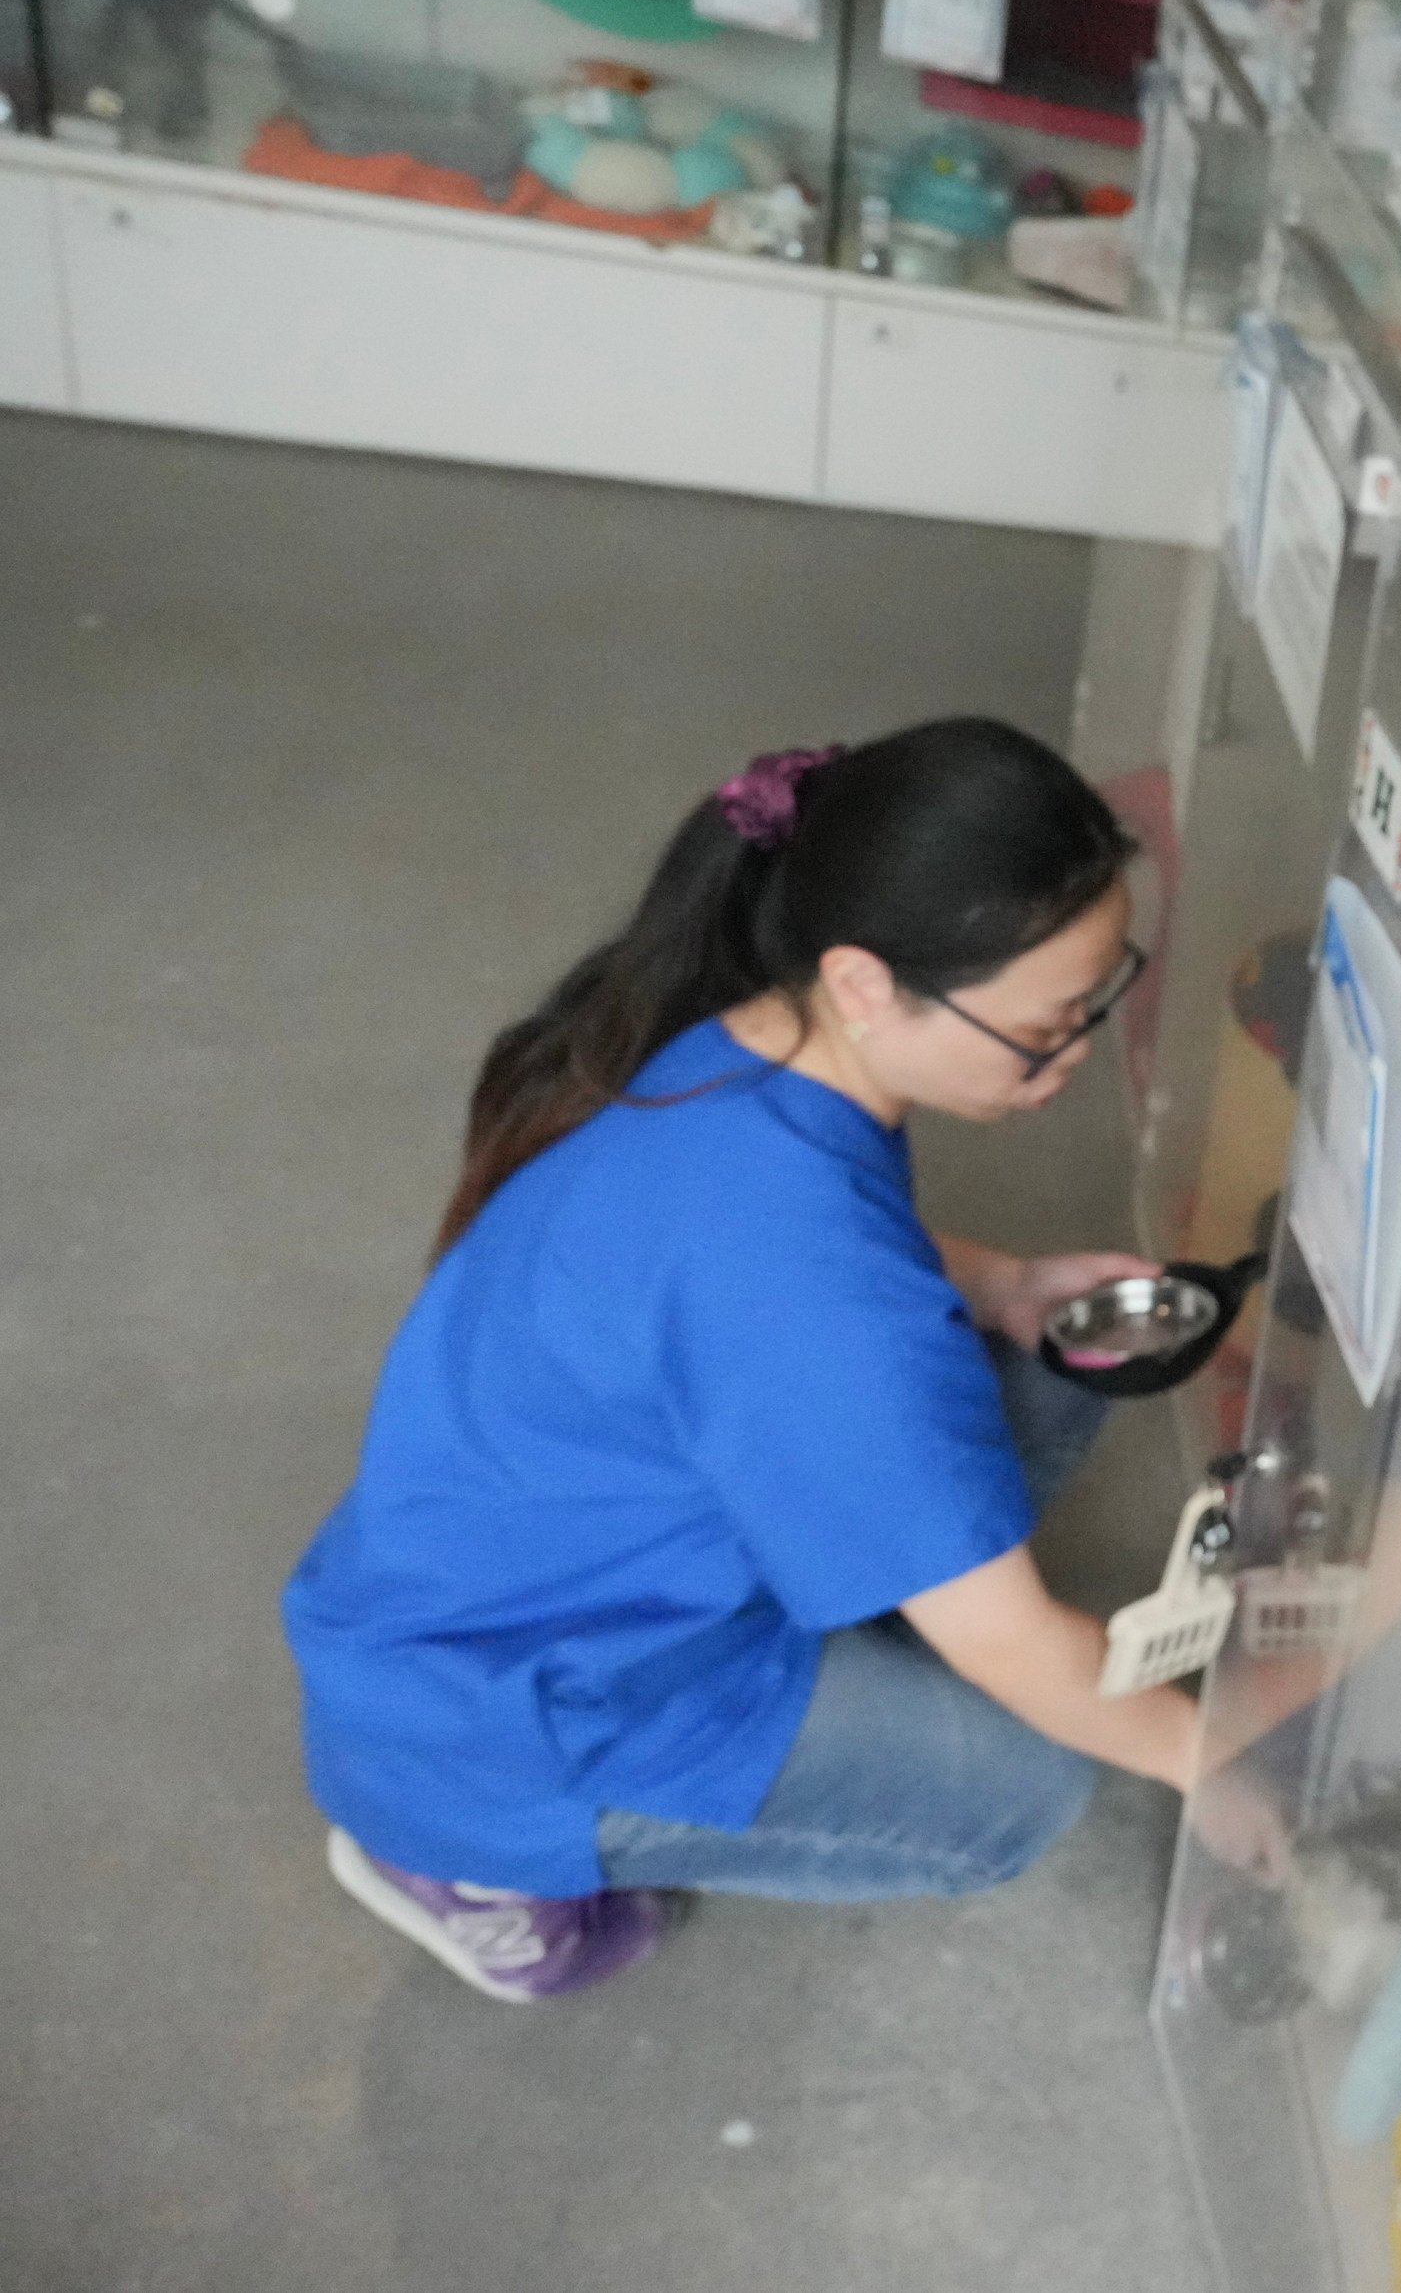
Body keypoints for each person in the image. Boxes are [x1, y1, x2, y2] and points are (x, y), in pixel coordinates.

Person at [283, 719, 1277, 2005]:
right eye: (1048, 1026)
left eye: (1100, 997)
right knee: (1025, 1791)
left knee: (1029, 1372)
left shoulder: (743, 1043)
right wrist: (1211, 1760)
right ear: (867, 982)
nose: (1075, 1051)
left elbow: (830, 1236)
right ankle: (468, 1868)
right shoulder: (814, 1305)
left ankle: (861, 1613)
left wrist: (1004, 1285)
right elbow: (1022, 1646)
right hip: (511, 1718)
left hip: (509, 1588)